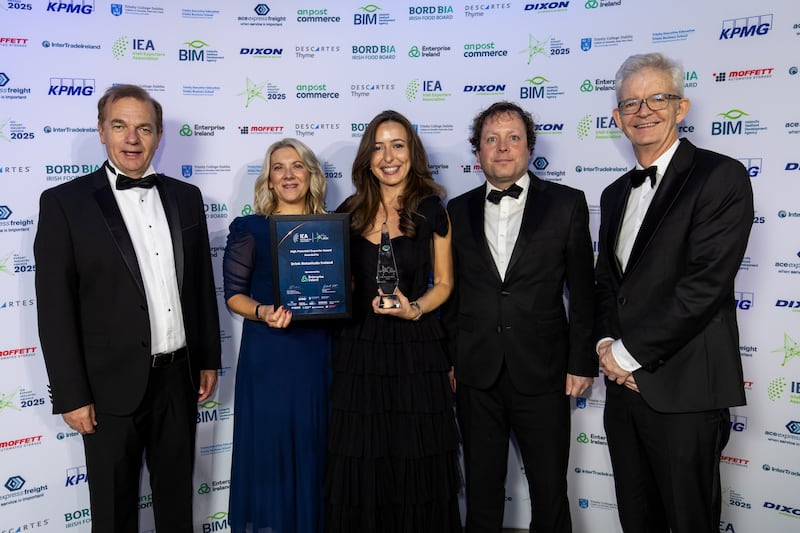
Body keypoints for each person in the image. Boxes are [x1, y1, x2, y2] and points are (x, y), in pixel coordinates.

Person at [33, 84, 220, 533]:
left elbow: (199, 287)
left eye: (144, 128)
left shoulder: (186, 196)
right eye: (120, 126)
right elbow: (54, 309)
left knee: (177, 505)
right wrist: (72, 393)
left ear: (158, 136)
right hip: (107, 388)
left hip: (178, 380)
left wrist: (209, 358)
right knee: (114, 513)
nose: (132, 138)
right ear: (102, 131)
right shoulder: (64, 203)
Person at [594, 52, 754, 533]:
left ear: (680, 108)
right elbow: (607, 282)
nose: (644, 111)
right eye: (631, 103)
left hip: (684, 391)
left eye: (656, 98)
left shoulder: (719, 176)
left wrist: (629, 354)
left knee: (690, 521)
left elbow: (705, 286)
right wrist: (605, 345)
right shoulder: (614, 193)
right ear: (618, 118)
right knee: (636, 518)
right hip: (624, 394)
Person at [442, 101, 595, 533]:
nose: (503, 148)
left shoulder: (567, 204)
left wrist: (581, 361)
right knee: (482, 488)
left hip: (544, 371)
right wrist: (451, 359)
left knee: (550, 489)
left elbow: (584, 291)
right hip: (475, 374)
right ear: (478, 152)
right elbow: (451, 294)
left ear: (529, 148)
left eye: (513, 138)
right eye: (492, 139)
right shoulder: (457, 209)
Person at [325, 110, 462, 533]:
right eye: (379, 147)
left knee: (412, 455)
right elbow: (341, 280)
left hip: (415, 348)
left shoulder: (431, 209)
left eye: (398, 145)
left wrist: (415, 308)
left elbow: (444, 283)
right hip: (359, 349)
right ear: (368, 157)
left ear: (412, 152)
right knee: (363, 455)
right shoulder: (349, 211)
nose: (389, 156)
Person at [223, 138, 331, 533]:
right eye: (279, 167)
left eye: (297, 166)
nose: (288, 174)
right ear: (268, 180)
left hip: (317, 354)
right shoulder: (250, 228)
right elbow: (234, 295)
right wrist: (262, 311)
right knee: (270, 451)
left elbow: (342, 289)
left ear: (311, 174)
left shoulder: (332, 228)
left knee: (314, 445)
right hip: (269, 355)